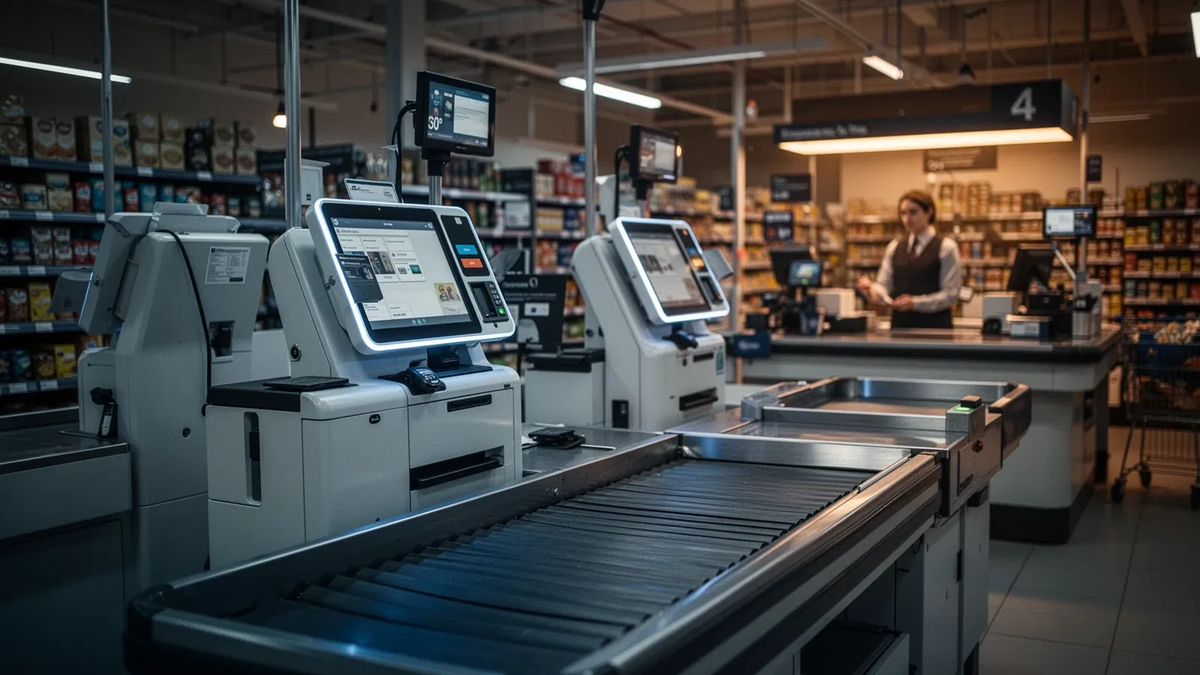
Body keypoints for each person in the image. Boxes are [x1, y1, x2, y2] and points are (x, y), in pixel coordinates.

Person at [856, 189, 962, 329]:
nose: (907, 218)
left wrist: (915, 303)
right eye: (903, 213)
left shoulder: (946, 247)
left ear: (929, 212)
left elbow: (951, 295)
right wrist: (872, 290)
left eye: (913, 212)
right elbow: (884, 287)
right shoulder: (894, 247)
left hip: (936, 331)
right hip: (900, 329)